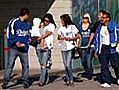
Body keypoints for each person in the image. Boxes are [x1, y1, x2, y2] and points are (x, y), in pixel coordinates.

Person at [2, 7, 31, 89]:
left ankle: (25, 82)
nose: (28, 17)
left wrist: (29, 41)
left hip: (24, 49)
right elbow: (9, 34)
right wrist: (16, 42)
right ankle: (6, 82)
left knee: (26, 66)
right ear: (25, 14)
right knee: (10, 65)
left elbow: (28, 35)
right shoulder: (14, 22)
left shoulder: (27, 24)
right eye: (28, 15)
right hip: (14, 48)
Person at [94, 11, 119, 88]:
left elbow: (117, 33)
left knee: (115, 64)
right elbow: (97, 38)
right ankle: (106, 81)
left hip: (112, 47)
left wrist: (116, 42)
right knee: (104, 65)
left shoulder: (113, 25)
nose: (102, 19)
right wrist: (97, 49)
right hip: (103, 47)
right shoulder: (99, 27)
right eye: (101, 18)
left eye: (104, 18)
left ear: (108, 18)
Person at [57, 14, 80, 86]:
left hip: (70, 47)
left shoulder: (72, 27)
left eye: (62, 20)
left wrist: (71, 39)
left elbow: (78, 36)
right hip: (63, 47)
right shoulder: (61, 28)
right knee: (66, 65)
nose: (61, 21)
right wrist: (60, 38)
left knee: (68, 64)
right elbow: (58, 36)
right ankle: (68, 79)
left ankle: (71, 79)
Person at [36, 13, 56, 86]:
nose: (46, 22)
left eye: (47, 21)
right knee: (41, 64)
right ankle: (46, 78)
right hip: (39, 46)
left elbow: (48, 33)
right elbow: (37, 32)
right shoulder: (41, 25)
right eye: (45, 20)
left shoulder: (51, 25)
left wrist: (41, 37)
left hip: (46, 46)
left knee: (44, 64)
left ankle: (42, 81)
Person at [78, 13, 94, 80]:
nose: (85, 19)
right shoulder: (79, 26)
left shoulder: (91, 26)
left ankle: (89, 75)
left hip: (90, 46)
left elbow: (92, 34)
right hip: (82, 46)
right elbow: (79, 35)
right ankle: (88, 70)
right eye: (84, 18)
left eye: (86, 18)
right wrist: (78, 44)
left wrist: (89, 43)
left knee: (88, 60)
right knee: (83, 61)